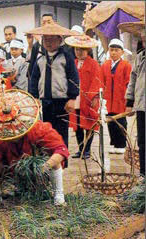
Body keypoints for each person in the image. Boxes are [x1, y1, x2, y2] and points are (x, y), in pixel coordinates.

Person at [0, 90, 69, 206]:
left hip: (40, 173)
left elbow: (61, 150)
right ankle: (13, 192)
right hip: (15, 176)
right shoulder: (1, 139)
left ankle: (58, 195)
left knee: (54, 159)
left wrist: (44, 167)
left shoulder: (38, 129)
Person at [29, 23, 79, 155]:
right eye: (46, 39)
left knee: (61, 131)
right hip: (45, 101)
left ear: (60, 40)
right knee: (45, 131)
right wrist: (33, 97)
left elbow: (73, 78)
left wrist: (72, 98)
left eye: (52, 39)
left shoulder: (66, 57)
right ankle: (48, 158)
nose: (48, 43)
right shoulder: (40, 58)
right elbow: (34, 79)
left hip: (61, 101)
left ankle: (62, 160)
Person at [65, 35, 102, 159]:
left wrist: (93, 97)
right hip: (76, 98)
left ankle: (87, 150)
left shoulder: (94, 64)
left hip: (88, 98)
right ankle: (81, 148)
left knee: (89, 124)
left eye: (82, 50)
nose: (79, 52)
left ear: (88, 50)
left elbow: (97, 81)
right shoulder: (73, 63)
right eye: (77, 49)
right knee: (78, 124)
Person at [101, 39, 132, 154]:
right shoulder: (105, 65)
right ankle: (113, 143)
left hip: (120, 98)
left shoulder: (126, 65)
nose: (113, 53)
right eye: (111, 50)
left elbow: (128, 82)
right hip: (108, 99)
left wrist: (128, 99)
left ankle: (122, 144)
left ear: (122, 52)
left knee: (121, 121)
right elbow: (101, 81)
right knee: (110, 122)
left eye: (116, 50)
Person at [124, 23, 145, 177]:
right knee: (143, 142)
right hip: (142, 106)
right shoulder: (140, 57)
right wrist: (129, 102)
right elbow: (133, 79)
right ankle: (144, 175)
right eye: (143, 38)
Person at [27, 13, 55, 81]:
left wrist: (40, 40)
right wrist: (30, 44)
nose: (46, 25)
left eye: (49, 22)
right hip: (39, 78)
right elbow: (31, 63)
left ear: (55, 23)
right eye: (43, 23)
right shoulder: (36, 45)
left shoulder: (59, 41)